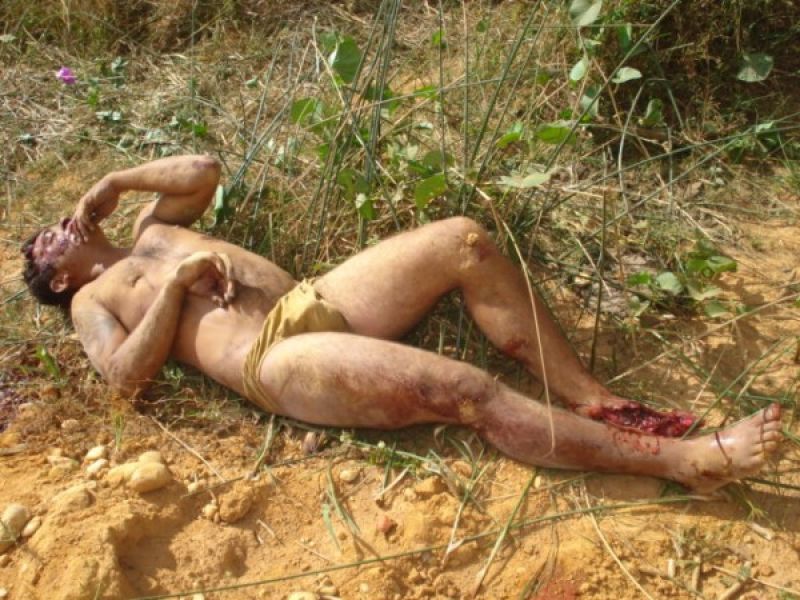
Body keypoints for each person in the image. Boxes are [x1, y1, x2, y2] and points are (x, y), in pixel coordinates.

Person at [21, 155, 782, 492]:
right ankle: (679, 463)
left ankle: (591, 396)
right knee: (465, 391)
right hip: (273, 358)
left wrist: (116, 180)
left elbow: (204, 170)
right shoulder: (92, 300)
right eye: (46, 241)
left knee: (462, 240)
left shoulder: (152, 226)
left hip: (317, 299)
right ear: (59, 277)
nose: (59, 226)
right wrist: (176, 286)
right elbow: (122, 380)